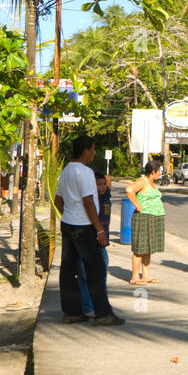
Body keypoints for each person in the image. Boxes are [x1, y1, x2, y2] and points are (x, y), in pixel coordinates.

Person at [54, 136, 124, 326]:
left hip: (68, 224)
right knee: (96, 268)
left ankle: (71, 312)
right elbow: (88, 201)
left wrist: (68, 214)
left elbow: (58, 200)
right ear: (85, 150)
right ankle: (102, 313)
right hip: (84, 226)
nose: (94, 152)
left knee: (68, 270)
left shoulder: (66, 170)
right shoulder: (84, 172)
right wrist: (99, 230)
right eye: (93, 149)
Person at [77, 174, 114, 316]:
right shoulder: (90, 201)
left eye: (103, 184)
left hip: (101, 244)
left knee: (102, 273)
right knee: (85, 275)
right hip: (89, 242)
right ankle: (88, 307)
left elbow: (108, 177)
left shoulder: (105, 196)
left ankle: (99, 305)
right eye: (98, 184)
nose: (102, 187)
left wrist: (101, 180)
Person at [126, 160, 166, 285]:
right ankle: (134, 276)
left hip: (154, 217)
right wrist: (137, 205)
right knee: (140, 248)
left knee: (148, 247)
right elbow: (129, 190)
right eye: (159, 171)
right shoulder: (142, 181)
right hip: (143, 218)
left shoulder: (152, 183)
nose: (160, 173)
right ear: (153, 171)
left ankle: (146, 275)